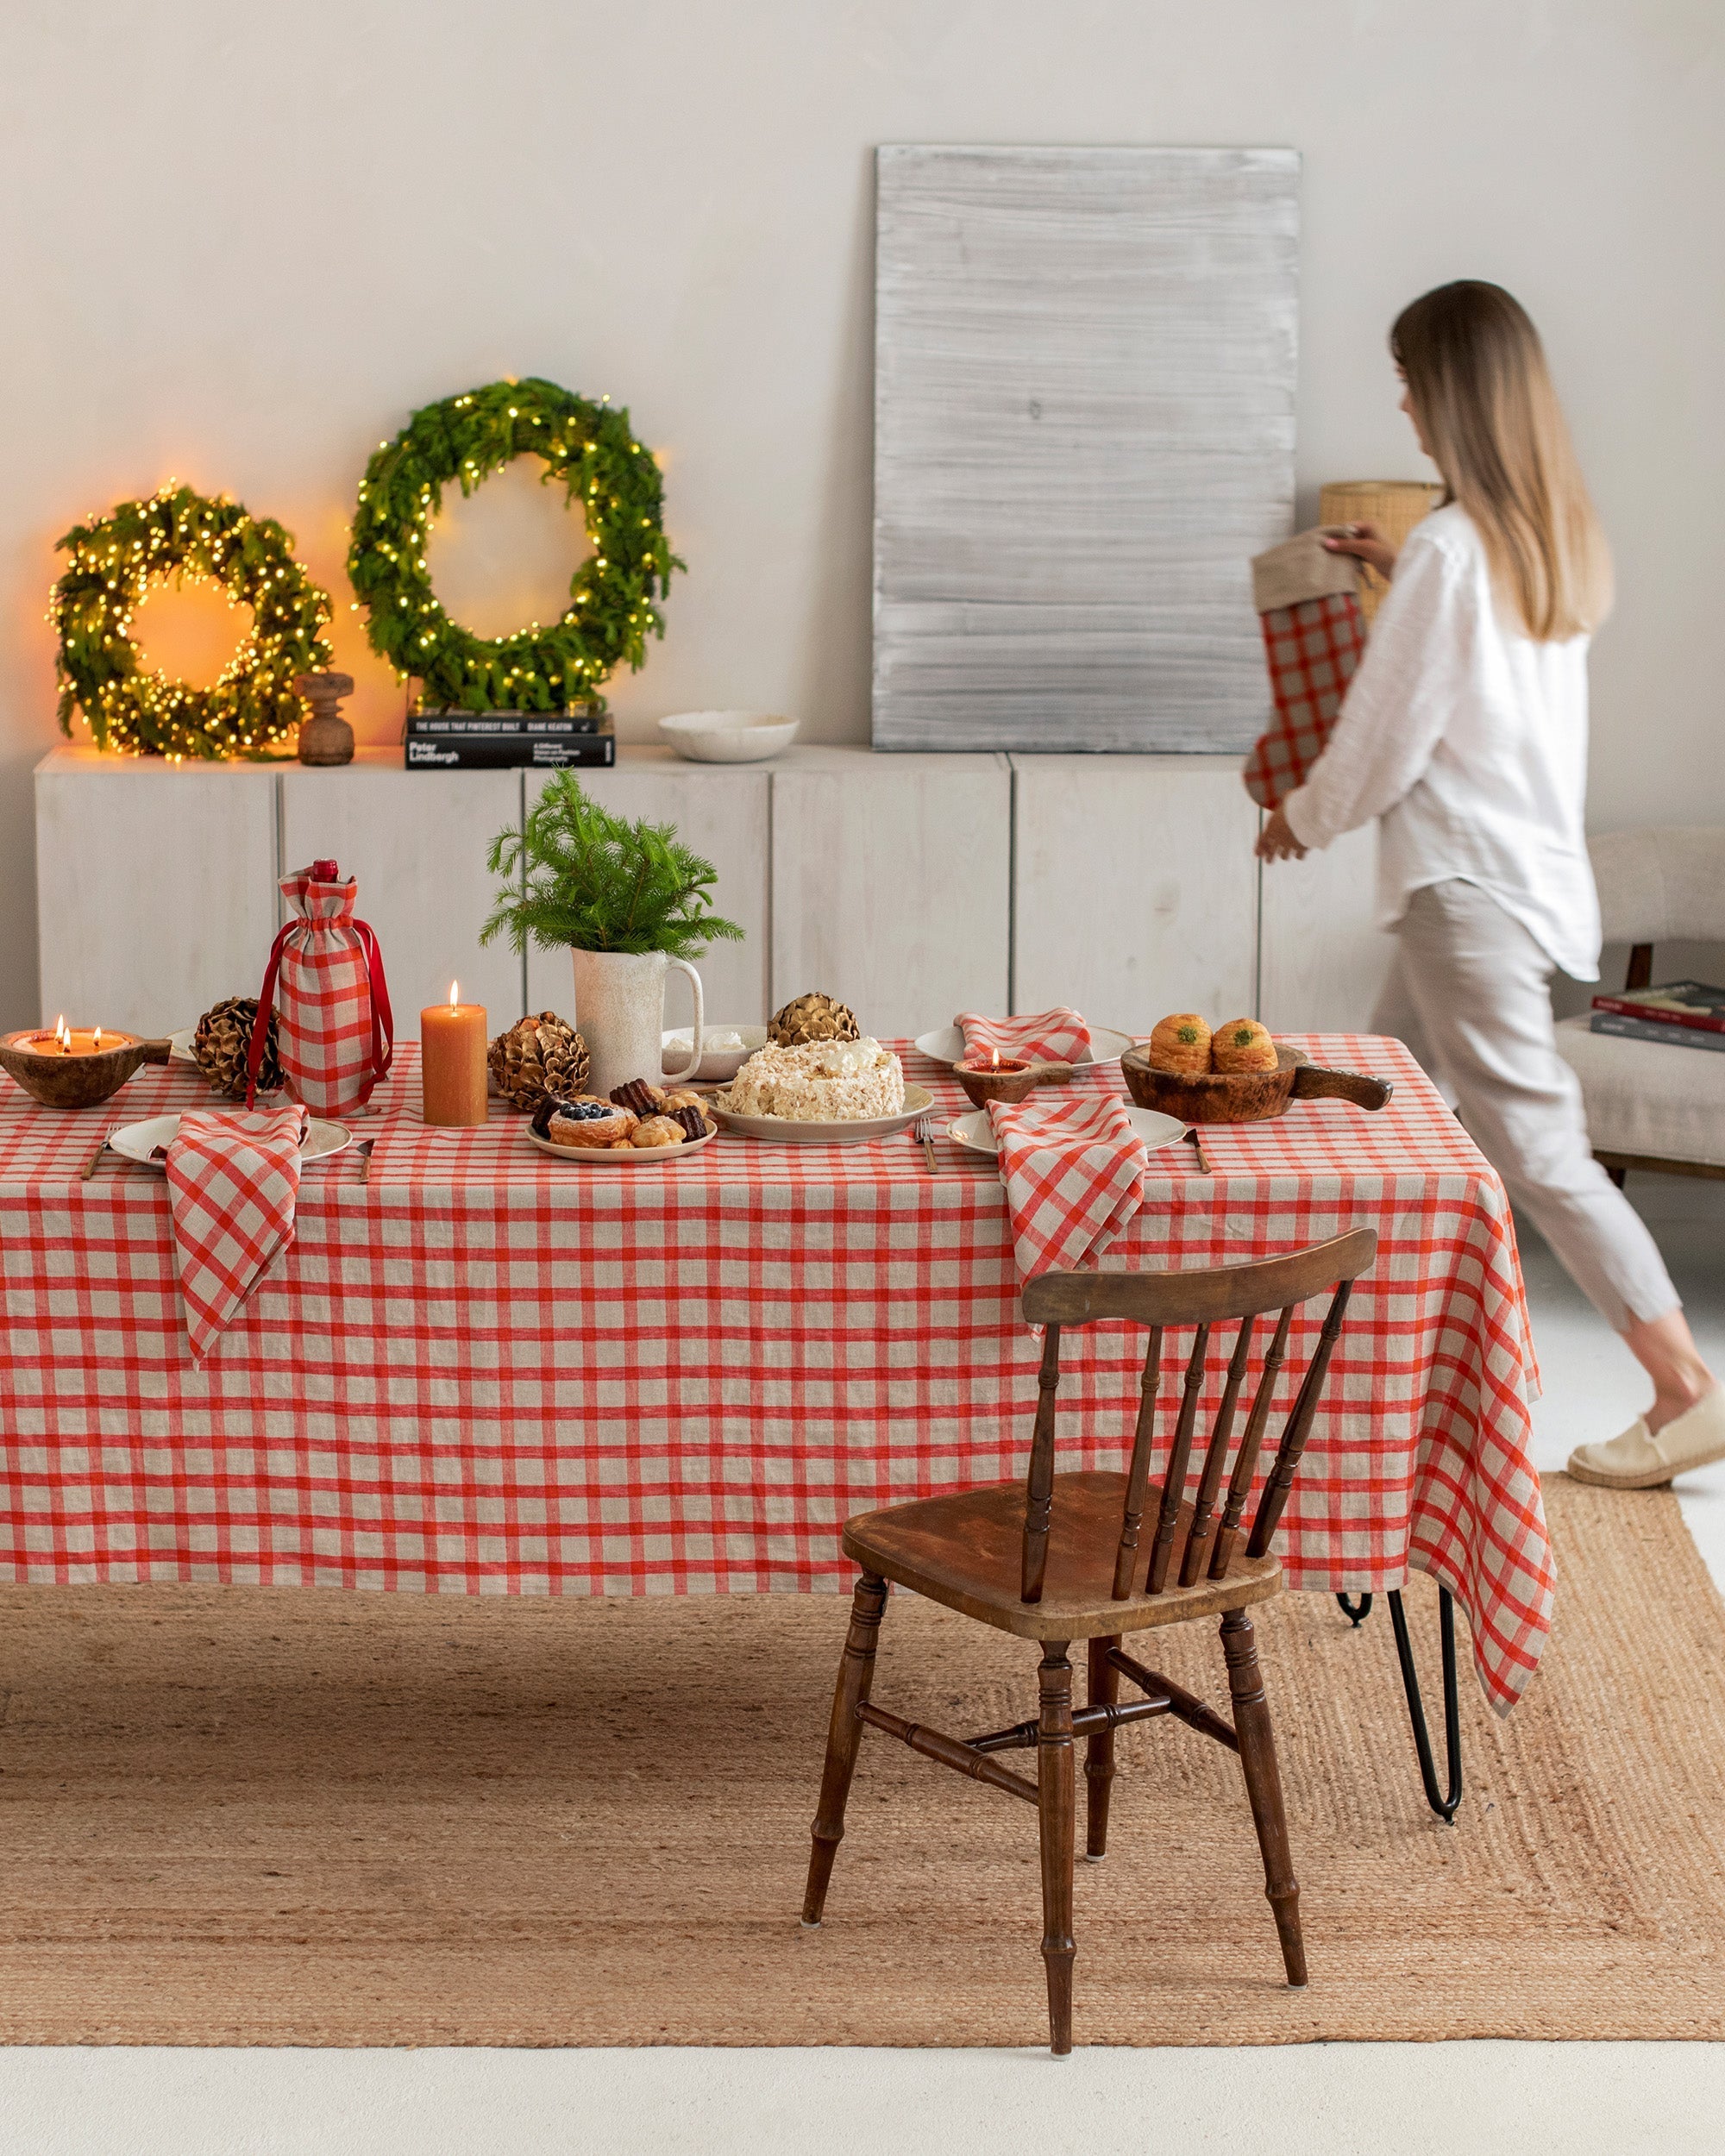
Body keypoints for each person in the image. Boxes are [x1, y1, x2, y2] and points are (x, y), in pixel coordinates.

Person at [1257, 279, 1721, 1491]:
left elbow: (1384, 736)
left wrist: (1296, 820)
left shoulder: (1456, 555)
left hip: (1467, 897)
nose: (1403, 403)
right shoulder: (1538, 541)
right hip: (1513, 887)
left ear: (1453, 394)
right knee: (1368, 1109)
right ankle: (1331, 1353)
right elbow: (1476, 671)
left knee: (1536, 1148)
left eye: (1412, 379)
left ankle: (1683, 1387)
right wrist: (1403, 571)